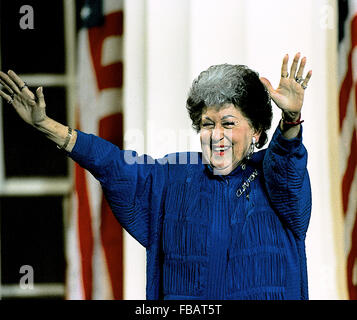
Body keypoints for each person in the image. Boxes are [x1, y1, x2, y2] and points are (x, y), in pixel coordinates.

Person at [0, 52, 312, 300]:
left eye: (228, 123)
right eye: (207, 123)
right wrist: (46, 125)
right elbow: (111, 164)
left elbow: (287, 160)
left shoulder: (275, 180)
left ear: (257, 131)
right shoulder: (172, 180)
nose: (216, 135)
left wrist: (290, 118)